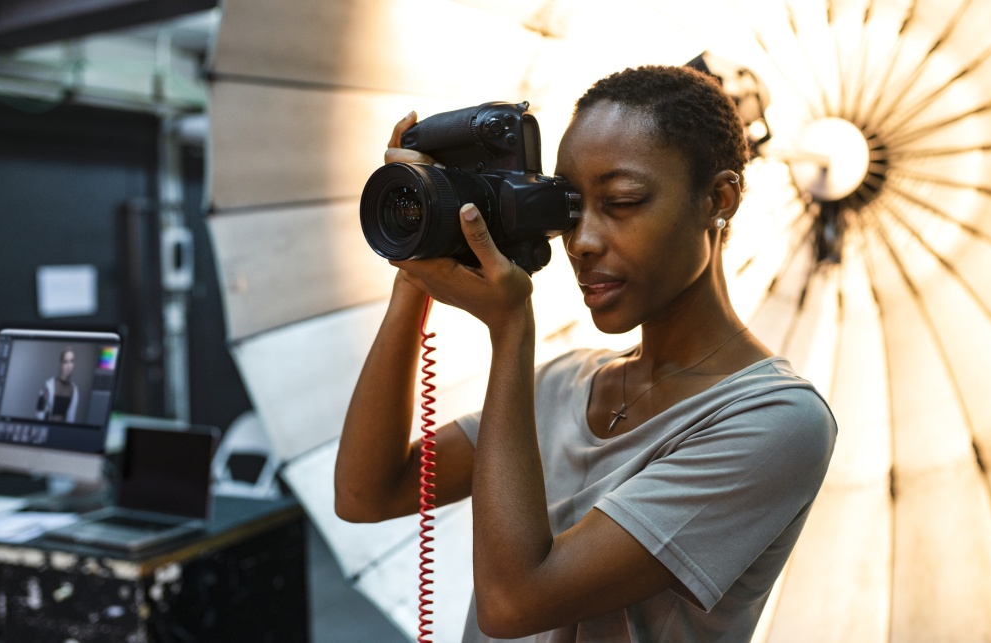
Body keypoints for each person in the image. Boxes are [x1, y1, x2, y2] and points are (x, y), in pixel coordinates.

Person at [335, 65, 837, 642]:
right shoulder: (564, 384)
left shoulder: (776, 423)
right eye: (570, 208)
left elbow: (512, 604)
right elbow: (365, 493)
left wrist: (510, 329)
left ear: (717, 200)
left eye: (622, 201)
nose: (583, 242)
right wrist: (417, 268)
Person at [36, 347, 79, 423]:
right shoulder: (48, 385)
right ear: (60, 364)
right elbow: (39, 413)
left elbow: (71, 418)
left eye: (71, 361)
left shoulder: (74, 390)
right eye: (65, 362)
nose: (69, 366)